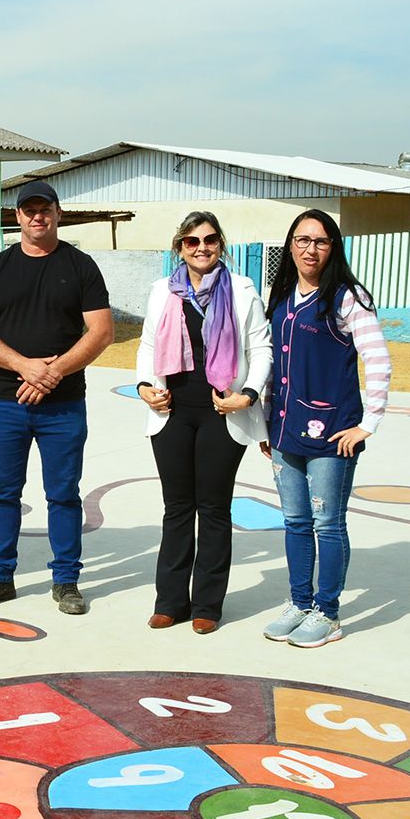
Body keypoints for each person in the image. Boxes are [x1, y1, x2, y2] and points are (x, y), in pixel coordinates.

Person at [0, 181, 113, 613]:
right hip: (5, 403)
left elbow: (101, 332)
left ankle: (66, 581)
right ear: (17, 216)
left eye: (44, 209)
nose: (36, 217)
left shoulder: (80, 265)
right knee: (3, 493)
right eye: (28, 210)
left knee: (63, 494)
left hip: (63, 406)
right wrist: (25, 366)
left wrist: (51, 372)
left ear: (57, 213)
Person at [260, 208, 391, 648]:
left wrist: (367, 423)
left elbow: (377, 359)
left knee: (327, 522)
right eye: (301, 240)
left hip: (333, 432)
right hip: (284, 431)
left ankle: (328, 613)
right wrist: (263, 423)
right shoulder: (280, 297)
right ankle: (299, 603)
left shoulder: (347, 297)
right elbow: (269, 362)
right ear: (290, 245)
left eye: (319, 241)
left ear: (333, 246)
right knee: (295, 521)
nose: (309, 249)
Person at [135, 213, 272, 634]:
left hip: (222, 411)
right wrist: (144, 386)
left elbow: (261, 347)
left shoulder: (242, 289)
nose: (202, 247)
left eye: (210, 240)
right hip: (172, 410)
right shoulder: (163, 290)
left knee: (213, 509)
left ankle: (207, 606)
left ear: (221, 244)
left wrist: (246, 395)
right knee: (177, 508)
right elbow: (148, 343)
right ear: (180, 247)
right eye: (192, 241)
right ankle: (170, 601)